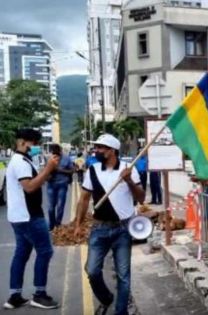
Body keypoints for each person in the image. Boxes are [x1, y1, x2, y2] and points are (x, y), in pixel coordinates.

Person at [73, 134, 145, 315]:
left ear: (111, 150)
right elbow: (84, 199)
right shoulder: (93, 170)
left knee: (123, 276)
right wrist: (78, 224)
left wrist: (128, 180)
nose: (96, 150)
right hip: (99, 228)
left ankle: (120, 312)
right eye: (96, 147)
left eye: (100, 148)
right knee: (92, 270)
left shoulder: (129, 169)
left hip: (123, 229)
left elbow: (141, 198)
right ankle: (106, 299)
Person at [3, 129, 60, 310]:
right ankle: (39, 294)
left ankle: (14, 296)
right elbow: (29, 187)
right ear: (22, 142)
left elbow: (37, 181)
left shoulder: (24, 160)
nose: (36, 147)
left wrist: (48, 170)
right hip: (29, 217)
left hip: (20, 216)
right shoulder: (19, 162)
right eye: (34, 143)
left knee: (22, 253)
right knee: (45, 251)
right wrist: (48, 169)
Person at [46, 144, 74, 230]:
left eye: (57, 152)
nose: (55, 154)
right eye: (53, 152)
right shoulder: (49, 158)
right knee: (50, 207)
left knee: (60, 206)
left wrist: (59, 170)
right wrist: (50, 170)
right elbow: (44, 172)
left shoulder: (66, 158)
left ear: (60, 151)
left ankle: (58, 224)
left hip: (62, 184)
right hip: (51, 184)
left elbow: (72, 170)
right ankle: (52, 224)